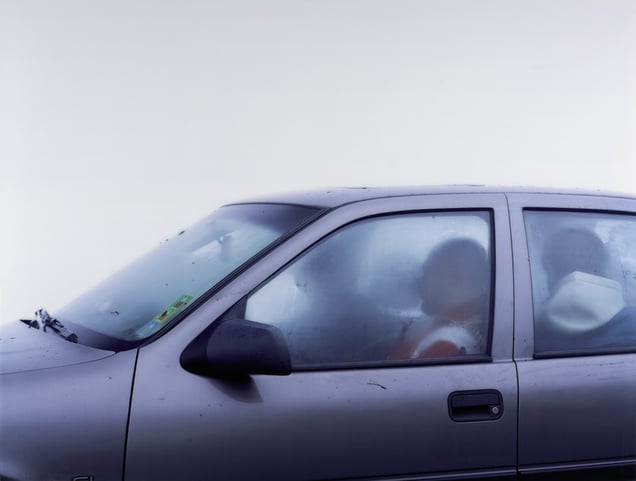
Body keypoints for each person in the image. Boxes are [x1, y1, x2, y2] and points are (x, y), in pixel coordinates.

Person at [391, 238, 490, 359]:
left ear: (455, 279)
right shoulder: (461, 324)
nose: (420, 280)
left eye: (427, 271)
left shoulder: (446, 346)